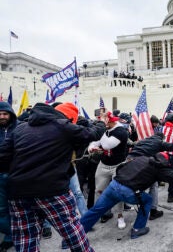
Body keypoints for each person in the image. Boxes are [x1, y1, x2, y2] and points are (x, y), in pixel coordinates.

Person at [0, 102, 106, 252]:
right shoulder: (63, 125)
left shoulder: (20, 128)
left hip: (18, 193)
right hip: (53, 191)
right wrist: (102, 121)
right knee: (72, 233)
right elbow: (93, 133)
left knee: (26, 240)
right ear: (69, 117)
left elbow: (3, 158)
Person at [80, 133, 173, 239]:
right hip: (127, 191)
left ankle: (75, 234)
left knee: (96, 210)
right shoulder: (160, 167)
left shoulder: (141, 156)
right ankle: (138, 229)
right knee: (148, 200)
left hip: (114, 185)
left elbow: (121, 168)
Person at [88, 110, 129, 229]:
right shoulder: (105, 129)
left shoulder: (121, 131)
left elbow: (106, 145)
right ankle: (102, 213)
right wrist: (92, 147)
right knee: (99, 190)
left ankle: (120, 216)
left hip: (118, 165)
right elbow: (96, 141)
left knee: (118, 192)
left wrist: (101, 132)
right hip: (104, 164)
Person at [0, 102, 18, 251]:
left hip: (16, 175)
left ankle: (14, 236)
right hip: (0, 175)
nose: (2, 117)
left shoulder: (20, 128)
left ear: (10, 114)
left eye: (5, 114)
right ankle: (12, 234)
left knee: (18, 208)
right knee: (1, 209)